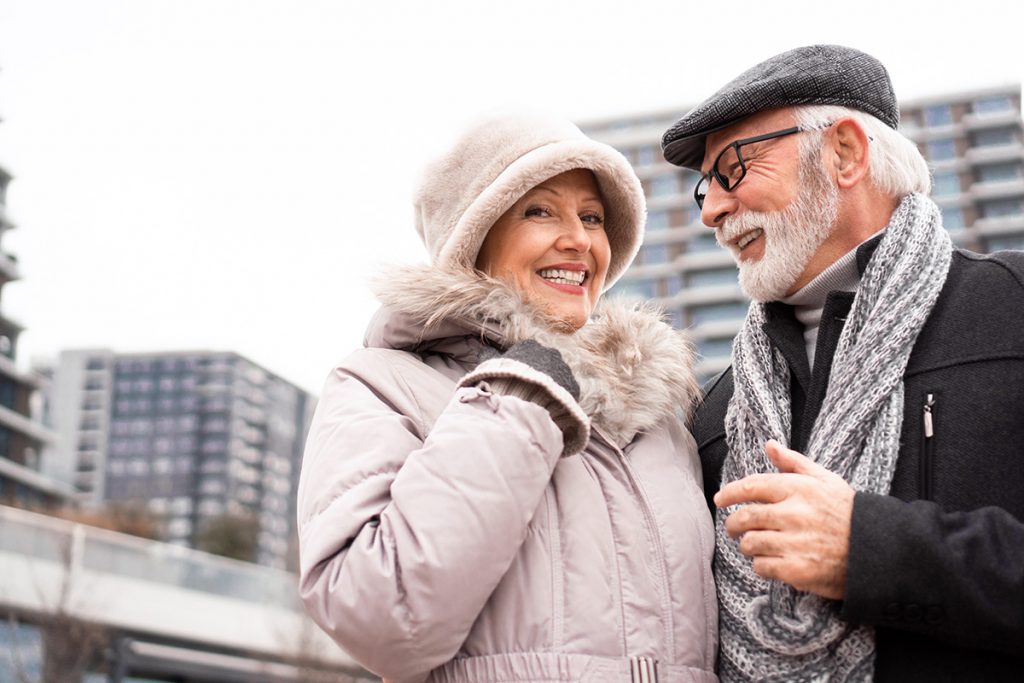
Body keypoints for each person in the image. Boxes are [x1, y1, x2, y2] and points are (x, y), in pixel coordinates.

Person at [296, 113, 719, 683]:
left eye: (592, 218)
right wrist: (516, 401)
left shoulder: (657, 421)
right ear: (474, 238)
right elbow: (378, 616)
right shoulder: (381, 384)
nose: (579, 240)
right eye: (539, 211)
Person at [660, 44, 1024, 681]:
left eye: (733, 168)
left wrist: (873, 547)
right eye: (704, 189)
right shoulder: (712, 414)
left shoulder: (1013, 308)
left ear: (846, 152)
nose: (713, 210)